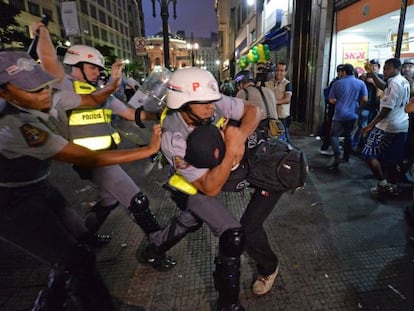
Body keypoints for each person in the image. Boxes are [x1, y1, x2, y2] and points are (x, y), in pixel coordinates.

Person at [0, 49, 162, 310]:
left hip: (42, 186)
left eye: (42, 83)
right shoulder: (15, 126)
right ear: (4, 92)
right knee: (77, 258)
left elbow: (92, 99)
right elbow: (89, 158)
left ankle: (50, 302)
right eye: (30, 89)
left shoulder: (49, 96)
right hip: (12, 203)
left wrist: (113, 84)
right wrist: (148, 150)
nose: (43, 92)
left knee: (77, 251)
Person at [31, 21, 175, 270]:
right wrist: (42, 31)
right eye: (92, 67)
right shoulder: (62, 85)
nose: (98, 72)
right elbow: (48, 60)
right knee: (137, 201)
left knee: (109, 200)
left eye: (99, 68)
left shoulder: (100, 93)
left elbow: (133, 115)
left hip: (104, 157)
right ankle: (156, 249)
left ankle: (84, 238)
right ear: (75, 66)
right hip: (89, 159)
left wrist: (165, 113)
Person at [145, 67, 284, 309]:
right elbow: (210, 188)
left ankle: (155, 247)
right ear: (183, 104)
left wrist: (239, 135)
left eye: (213, 101)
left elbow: (254, 110)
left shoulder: (211, 103)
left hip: (221, 173)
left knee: (193, 219)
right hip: (192, 185)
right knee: (233, 235)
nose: (212, 108)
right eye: (204, 104)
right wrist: (231, 150)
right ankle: (227, 304)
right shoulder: (173, 137)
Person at [361, 58, 410, 195]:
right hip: (402, 125)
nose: (385, 71)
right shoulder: (403, 81)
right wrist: (373, 75)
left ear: (396, 68)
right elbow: (383, 86)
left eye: (387, 68)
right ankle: (392, 185)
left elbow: (386, 109)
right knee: (391, 159)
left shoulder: (394, 83)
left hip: (387, 126)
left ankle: (383, 183)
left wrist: (370, 126)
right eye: (384, 68)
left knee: (368, 153)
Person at [328, 63, 368, 167]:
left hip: (339, 114)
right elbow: (365, 99)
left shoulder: (337, 83)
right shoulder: (360, 83)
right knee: (348, 135)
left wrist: (339, 102)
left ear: (344, 72)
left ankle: (337, 155)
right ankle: (346, 157)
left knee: (334, 135)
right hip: (353, 114)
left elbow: (331, 100)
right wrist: (359, 108)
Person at [233, 70, 281, 142]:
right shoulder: (268, 91)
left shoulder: (243, 92)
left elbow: (235, 115)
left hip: (258, 136)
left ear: (240, 83)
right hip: (274, 131)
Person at [352, 59, 384, 153]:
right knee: (363, 127)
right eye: (371, 65)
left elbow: (382, 89)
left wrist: (373, 81)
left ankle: (359, 145)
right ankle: (356, 145)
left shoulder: (381, 77)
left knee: (369, 127)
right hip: (365, 106)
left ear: (378, 68)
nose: (373, 68)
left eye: (375, 66)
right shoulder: (364, 76)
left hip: (375, 107)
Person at [320, 64, 344, 155]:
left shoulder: (339, 82)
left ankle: (332, 146)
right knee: (331, 128)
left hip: (337, 109)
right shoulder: (335, 82)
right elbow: (330, 97)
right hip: (333, 109)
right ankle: (327, 146)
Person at [269, 61, 292, 142]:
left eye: (282, 71)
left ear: (285, 72)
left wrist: (273, 102)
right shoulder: (269, 82)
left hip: (282, 117)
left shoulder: (287, 84)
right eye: (277, 70)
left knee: (283, 140)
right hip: (271, 116)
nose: (279, 72)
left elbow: (287, 99)